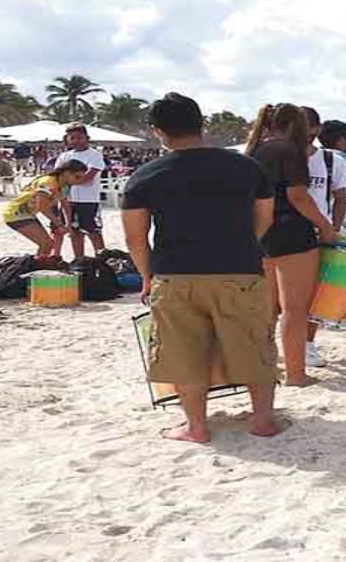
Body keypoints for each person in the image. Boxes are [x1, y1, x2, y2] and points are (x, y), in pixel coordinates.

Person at [122, 93, 281, 443]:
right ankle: (263, 421)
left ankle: (196, 427)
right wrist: (240, 244)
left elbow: (136, 239)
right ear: (202, 124)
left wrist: (148, 278)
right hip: (239, 270)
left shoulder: (146, 175)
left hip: (176, 273)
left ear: (157, 131)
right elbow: (264, 218)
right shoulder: (246, 167)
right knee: (253, 345)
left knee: (183, 351)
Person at [246, 104, 337, 388]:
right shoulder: (289, 150)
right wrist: (325, 227)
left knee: (268, 311)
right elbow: (298, 196)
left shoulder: (255, 150)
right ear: (294, 124)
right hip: (292, 232)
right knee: (295, 310)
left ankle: (265, 370)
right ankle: (296, 375)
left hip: (261, 232)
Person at [301, 107, 346, 369]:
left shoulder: (331, 161)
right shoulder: (278, 157)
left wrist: (333, 228)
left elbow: (341, 197)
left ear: (316, 129)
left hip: (320, 235)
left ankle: (307, 344)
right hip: (281, 236)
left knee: (316, 295)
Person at [2, 160, 88, 255]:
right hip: (16, 212)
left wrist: (68, 224)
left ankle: (38, 265)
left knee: (48, 244)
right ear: (66, 172)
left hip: (27, 213)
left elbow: (65, 205)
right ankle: (36, 267)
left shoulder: (64, 186)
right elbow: (42, 206)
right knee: (46, 244)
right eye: (77, 177)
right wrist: (59, 224)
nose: (79, 180)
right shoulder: (48, 182)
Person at [55, 124, 107, 259]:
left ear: (87, 138)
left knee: (93, 231)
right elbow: (57, 178)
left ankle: (103, 259)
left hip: (88, 200)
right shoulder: (64, 156)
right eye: (72, 138)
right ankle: (79, 260)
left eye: (79, 137)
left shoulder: (95, 155)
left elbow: (88, 178)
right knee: (74, 232)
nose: (76, 140)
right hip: (68, 201)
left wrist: (69, 181)